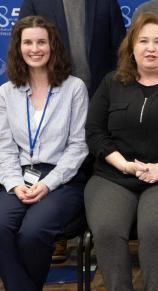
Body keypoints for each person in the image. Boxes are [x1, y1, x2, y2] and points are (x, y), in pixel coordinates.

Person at [84, 12, 158, 291]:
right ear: (132, 47)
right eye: (144, 41)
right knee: (107, 230)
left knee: (153, 230)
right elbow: (94, 133)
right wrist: (124, 165)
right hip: (114, 176)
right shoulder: (112, 83)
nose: (151, 48)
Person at [0, 16, 88, 291]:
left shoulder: (74, 87)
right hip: (19, 176)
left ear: (53, 46)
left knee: (33, 233)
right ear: (18, 47)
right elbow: (4, 147)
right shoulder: (6, 92)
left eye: (41, 42)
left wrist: (48, 183)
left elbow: (78, 146)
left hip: (63, 178)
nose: (34, 48)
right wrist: (14, 183)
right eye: (28, 42)